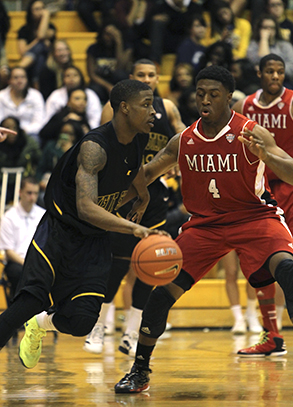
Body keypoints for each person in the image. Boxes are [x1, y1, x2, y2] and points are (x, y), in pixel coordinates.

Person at [114, 65, 293, 393]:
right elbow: (147, 173)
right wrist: (108, 199)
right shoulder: (183, 140)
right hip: (204, 226)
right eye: (200, 94)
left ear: (229, 97)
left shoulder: (251, 132)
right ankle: (140, 370)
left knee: (288, 271)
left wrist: (266, 157)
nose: (205, 100)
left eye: (214, 94)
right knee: (160, 297)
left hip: (256, 218)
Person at [0, 79, 168, 369]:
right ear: (124, 108)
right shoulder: (94, 147)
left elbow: (134, 166)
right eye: (146, 104)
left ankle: (40, 325)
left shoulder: (138, 137)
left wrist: (143, 193)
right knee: (26, 304)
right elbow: (86, 208)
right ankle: (32, 315)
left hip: (93, 241)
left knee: (81, 322)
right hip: (59, 233)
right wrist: (133, 228)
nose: (154, 112)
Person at [83, 58, 186, 355]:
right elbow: (103, 147)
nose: (147, 79)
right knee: (116, 264)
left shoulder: (167, 108)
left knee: (149, 266)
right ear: (131, 78)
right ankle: (99, 326)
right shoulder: (116, 108)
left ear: (158, 78)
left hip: (155, 193)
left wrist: (179, 164)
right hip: (124, 192)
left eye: (151, 75)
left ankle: (131, 332)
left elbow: (185, 139)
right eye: (140, 75)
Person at [231, 53, 293, 354]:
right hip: (259, 194)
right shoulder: (244, 106)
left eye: (280, 72)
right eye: (270, 71)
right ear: (259, 74)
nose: (275, 76)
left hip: (292, 190)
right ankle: (272, 334)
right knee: (257, 264)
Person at [0, 177, 45, 300]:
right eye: (29, 193)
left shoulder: (43, 215)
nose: (32, 197)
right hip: (17, 263)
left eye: (35, 193)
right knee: (21, 273)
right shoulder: (9, 217)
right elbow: (8, 251)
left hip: (38, 262)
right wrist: (26, 264)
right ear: (20, 192)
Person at [247, 14, 293, 89]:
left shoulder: (285, 45)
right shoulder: (254, 45)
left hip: (284, 82)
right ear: (259, 29)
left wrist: (274, 70)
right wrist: (264, 40)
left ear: (276, 29)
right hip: (259, 83)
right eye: (265, 28)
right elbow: (259, 61)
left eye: (271, 28)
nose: (268, 31)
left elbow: (292, 70)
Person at [86, 22, 132, 104]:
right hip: (101, 82)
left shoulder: (127, 48)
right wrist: (108, 86)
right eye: (107, 34)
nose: (108, 37)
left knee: (120, 75)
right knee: (93, 89)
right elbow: (92, 74)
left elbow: (121, 67)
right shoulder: (93, 49)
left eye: (112, 35)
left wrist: (118, 42)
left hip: (118, 81)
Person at [45, 65, 102, 131]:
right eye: (68, 76)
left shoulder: (90, 94)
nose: (71, 78)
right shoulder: (55, 95)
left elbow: (95, 119)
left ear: (81, 77)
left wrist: (88, 131)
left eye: (75, 75)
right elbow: (47, 119)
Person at [0, 116, 42, 204]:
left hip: (23, 180)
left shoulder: (29, 142)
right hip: (2, 180)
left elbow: (39, 160)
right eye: (7, 128)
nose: (11, 131)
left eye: (14, 128)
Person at [0, 67, 45, 142]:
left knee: (35, 140)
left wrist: (23, 131)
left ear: (27, 79)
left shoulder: (36, 96)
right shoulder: (1, 96)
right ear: (9, 80)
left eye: (22, 77)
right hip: (5, 133)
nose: (20, 81)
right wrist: (9, 131)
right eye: (16, 78)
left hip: (29, 133)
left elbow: (39, 122)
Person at [17, 0, 56, 88]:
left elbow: (41, 34)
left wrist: (46, 16)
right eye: (37, 9)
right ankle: (37, 85)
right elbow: (23, 52)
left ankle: (19, 67)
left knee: (41, 49)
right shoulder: (24, 30)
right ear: (30, 12)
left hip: (49, 60)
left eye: (42, 9)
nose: (41, 12)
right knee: (40, 52)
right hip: (32, 62)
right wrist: (38, 41)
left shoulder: (51, 27)